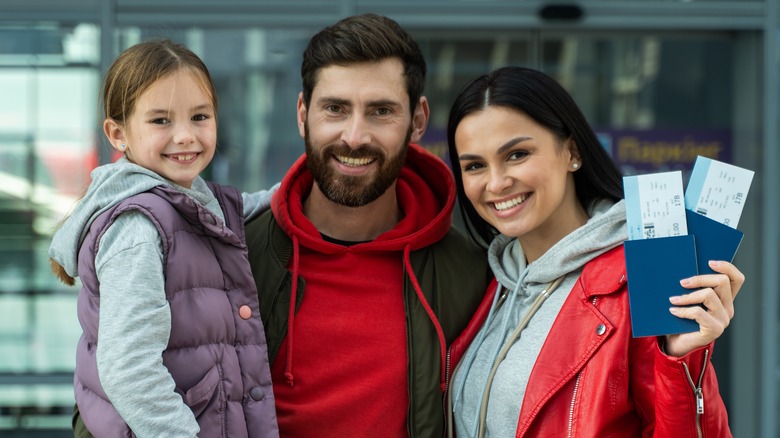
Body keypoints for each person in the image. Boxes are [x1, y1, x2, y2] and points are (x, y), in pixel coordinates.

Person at [445, 66, 743, 437]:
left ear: (571, 151)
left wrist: (681, 359)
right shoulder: (490, 284)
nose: (496, 182)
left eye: (517, 154)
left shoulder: (640, 279)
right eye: (475, 165)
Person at [243, 13, 492, 437]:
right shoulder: (234, 257)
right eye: (335, 109)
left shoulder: (472, 274)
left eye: (380, 111)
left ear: (417, 120)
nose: (355, 136)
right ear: (303, 114)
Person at [49, 39, 279, 437]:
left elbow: (257, 205)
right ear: (118, 134)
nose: (186, 135)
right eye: (161, 121)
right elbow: (129, 369)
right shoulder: (137, 228)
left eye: (200, 116)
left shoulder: (193, 200)